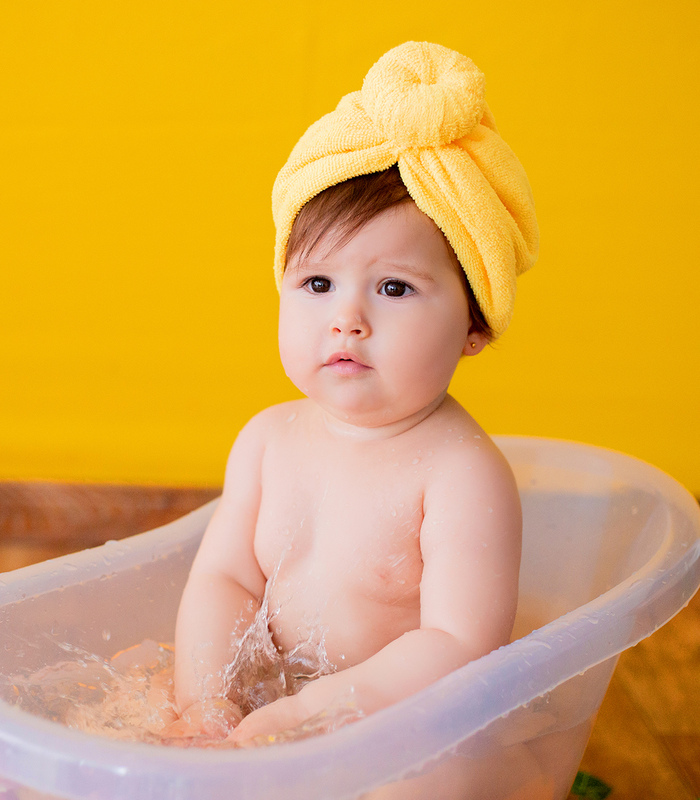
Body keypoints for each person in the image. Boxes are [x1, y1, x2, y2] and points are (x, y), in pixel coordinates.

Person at [165, 41, 540, 745]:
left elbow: (460, 647)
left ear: (473, 326)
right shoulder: (268, 441)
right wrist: (207, 704)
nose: (347, 317)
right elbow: (225, 582)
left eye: (394, 287)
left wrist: (313, 717)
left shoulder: (461, 476)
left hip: (392, 730)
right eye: (316, 283)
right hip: (273, 698)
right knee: (153, 687)